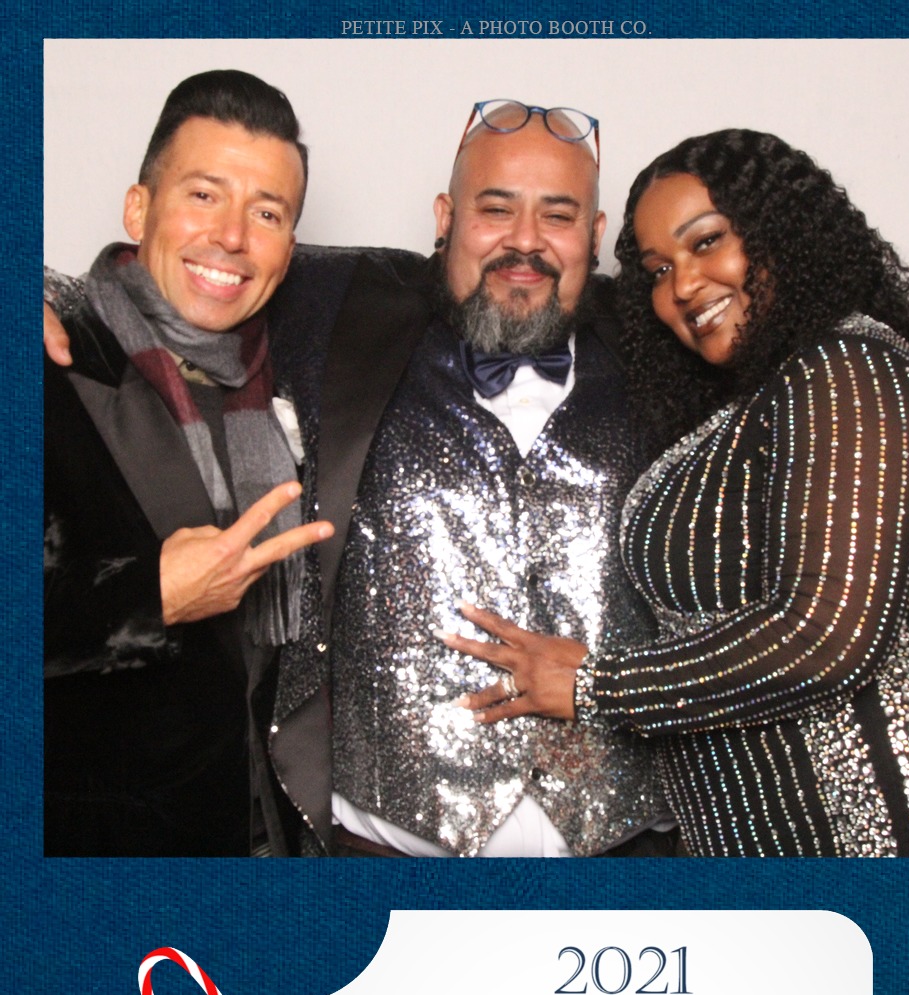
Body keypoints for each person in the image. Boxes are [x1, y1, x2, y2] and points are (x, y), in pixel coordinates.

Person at [47, 97, 672, 858]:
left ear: (596, 236)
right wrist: (38, 292)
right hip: (377, 859)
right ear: (445, 217)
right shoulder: (339, 304)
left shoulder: (665, 338)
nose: (525, 240)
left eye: (559, 216)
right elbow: (183, 274)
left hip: (626, 860)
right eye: (495, 208)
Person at [438, 129, 909, 858]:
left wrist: (595, 686)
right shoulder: (750, 401)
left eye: (707, 242)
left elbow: (827, 635)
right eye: (657, 270)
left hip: (874, 830)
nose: (681, 286)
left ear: (781, 232)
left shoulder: (847, 366)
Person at [44, 70, 334, 855]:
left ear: (290, 250)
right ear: (139, 209)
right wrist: (151, 596)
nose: (232, 236)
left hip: (267, 846)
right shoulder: (49, 357)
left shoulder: (300, 377)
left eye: (266, 213)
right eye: (204, 195)